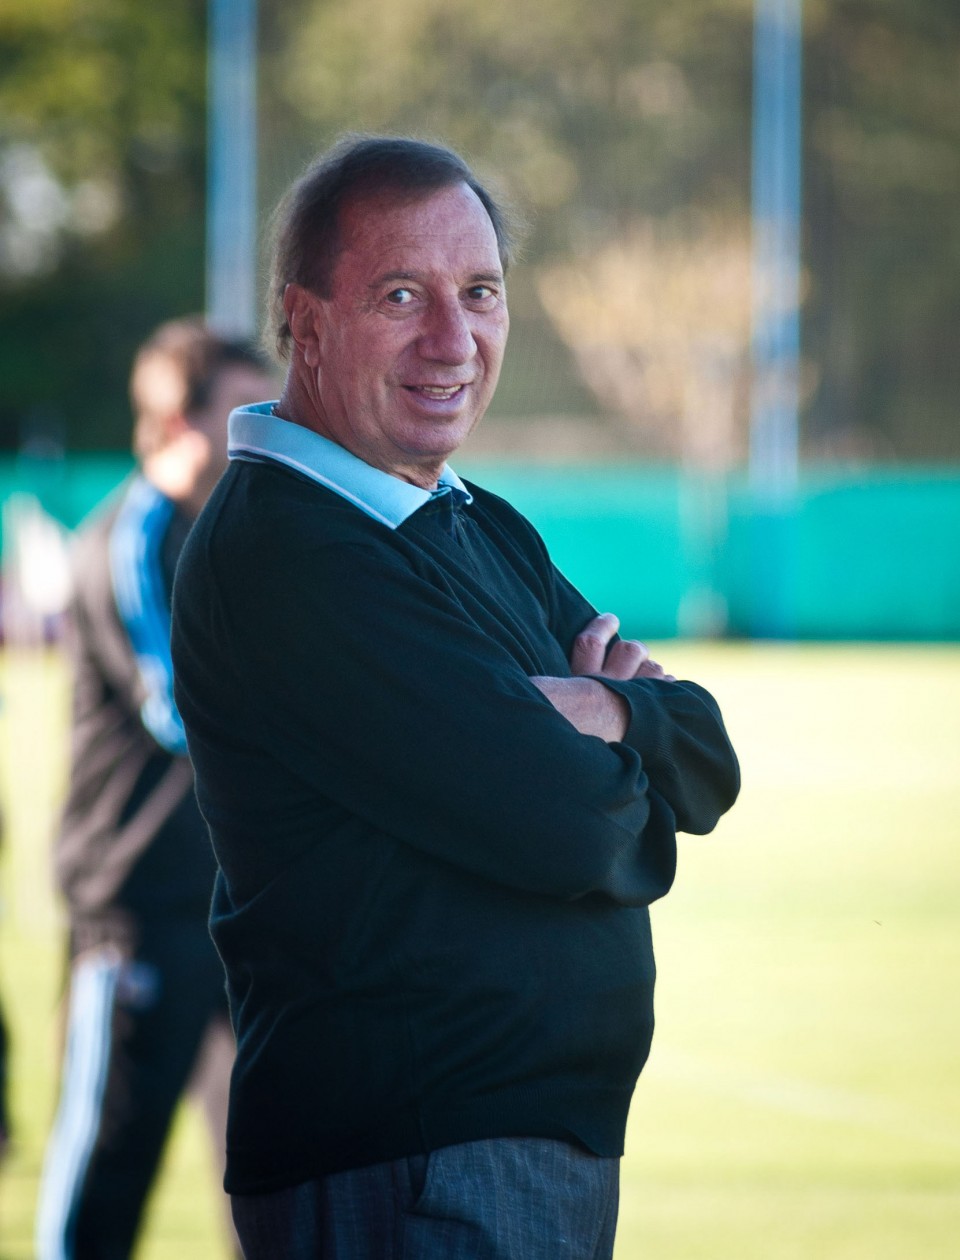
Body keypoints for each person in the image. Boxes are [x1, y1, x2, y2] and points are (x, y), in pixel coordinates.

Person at [170, 135, 741, 1260]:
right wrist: (613, 755)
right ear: (305, 321)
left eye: (479, 292)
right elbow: (569, 827)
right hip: (412, 1166)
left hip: (496, 1154)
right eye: (401, 295)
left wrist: (609, 715)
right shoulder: (294, 552)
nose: (452, 338)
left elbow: (710, 759)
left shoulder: (468, 519)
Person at [36, 318, 276, 1260]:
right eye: (243, 411)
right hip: (139, 914)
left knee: (275, 1181)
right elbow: (184, 712)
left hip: (237, 912)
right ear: (180, 421)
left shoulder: (236, 532)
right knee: (105, 1185)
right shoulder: (128, 542)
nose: (264, 429)